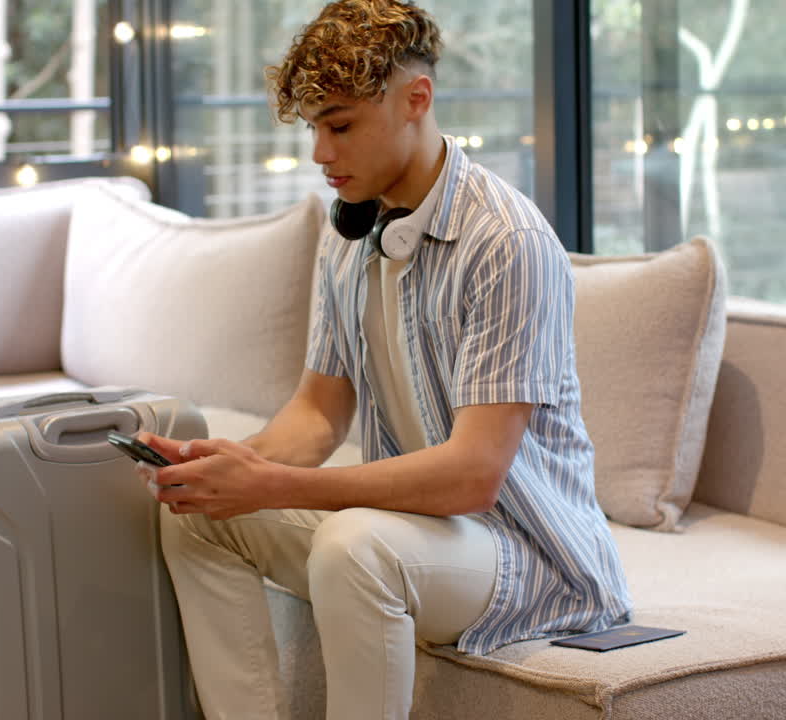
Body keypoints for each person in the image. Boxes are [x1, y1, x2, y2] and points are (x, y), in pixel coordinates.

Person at [135, 2, 631, 718]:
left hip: (529, 558)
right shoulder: (348, 234)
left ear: (415, 100)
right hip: (414, 533)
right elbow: (317, 412)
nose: (320, 153)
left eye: (339, 126)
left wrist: (275, 485)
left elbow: (473, 475)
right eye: (313, 128)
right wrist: (228, 469)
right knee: (195, 516)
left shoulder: (507, 243)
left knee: (353, 545)